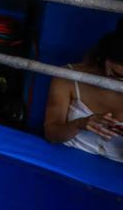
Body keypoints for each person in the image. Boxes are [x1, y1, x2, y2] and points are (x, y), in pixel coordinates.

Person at [44, 21, 123, 162]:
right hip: (63, 162)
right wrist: (79, 124)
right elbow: (51, 134)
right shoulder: (69, 77)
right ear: (107, 62)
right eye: (119, 75)